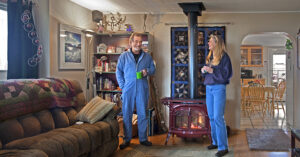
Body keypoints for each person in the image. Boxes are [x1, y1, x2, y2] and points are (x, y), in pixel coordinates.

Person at [116, 32, 156, 149]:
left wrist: (147, 71)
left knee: (142, 114)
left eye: (140, 42)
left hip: (142, 88)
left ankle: (143, 139)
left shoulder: (147, 56)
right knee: (127, 114)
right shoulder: (124, 56)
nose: (138, 44)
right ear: (131, 42)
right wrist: (123, 86)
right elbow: (118, 72)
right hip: (128, 89)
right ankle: (126, 139)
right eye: (136, 41)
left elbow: (153, 69)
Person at [201, 34, 232, 157]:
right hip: (209, 88)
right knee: (212, 116)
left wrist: (212, 71)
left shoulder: (225, 57)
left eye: (210, 41)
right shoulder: (210, 57)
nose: (208, 43)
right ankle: (215, 142)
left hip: (219, 88)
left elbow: (227, 74)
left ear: (216, 43)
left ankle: (223, 147)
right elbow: (209, 75)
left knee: (218, 117)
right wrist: (204, 71)